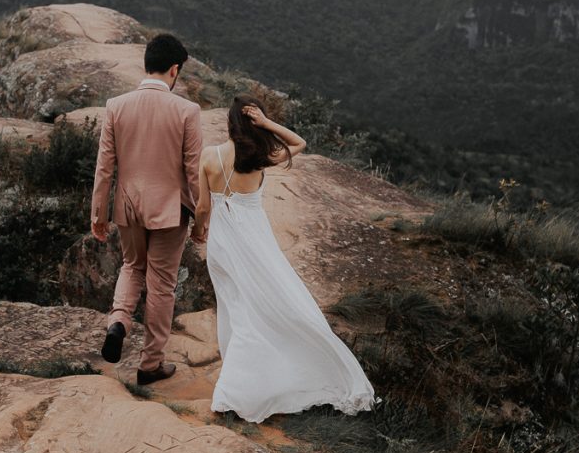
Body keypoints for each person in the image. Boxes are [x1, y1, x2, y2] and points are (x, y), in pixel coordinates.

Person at [192, 95, 381, 422]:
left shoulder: (209, 156)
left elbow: (203, 207)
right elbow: (300, 142)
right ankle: (248, 386)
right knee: (267, 306)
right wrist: (266, 123)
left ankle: (239, 387)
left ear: (229, 123)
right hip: (254, 242)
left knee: (236, 307)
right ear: (251, 122)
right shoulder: (261, 156)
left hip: (222, 245)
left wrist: (199, 231)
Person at [91, 33, 203, 385]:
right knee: (162, 285)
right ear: (174, 70)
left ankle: (119, 321)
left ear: (146, 64)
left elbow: (104, 168)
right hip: (170, 212)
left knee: (131, 265)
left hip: (128, 207)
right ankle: (150, 364)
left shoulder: (116, 106)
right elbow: (193, 171)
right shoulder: (187, 111)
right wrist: (202, 218)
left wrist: (99, 215)